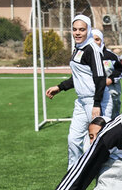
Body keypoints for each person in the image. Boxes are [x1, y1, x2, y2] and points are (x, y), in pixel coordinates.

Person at [45, 15, 109, 170]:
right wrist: (60, 87)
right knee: (73, 139)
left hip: (96, 102)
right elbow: (78, 77)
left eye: (82, 29)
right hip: (81, 102)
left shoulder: (92, 49)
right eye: (74, 29)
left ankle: (105, 174)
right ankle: (72, 174)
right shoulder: (78, 48)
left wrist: (96, 104)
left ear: (88, 30)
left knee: (100, 142)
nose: (78, 33)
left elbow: (100, 78)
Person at [92, 29, 122, 119]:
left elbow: (120, 70)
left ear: (102, 41)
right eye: (92, 39)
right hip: (94, 93)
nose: (94, 42)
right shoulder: (87, 56)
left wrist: (111, 79)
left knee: (113, 119)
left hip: (112, 92)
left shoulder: (110, 56)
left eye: (97, 39)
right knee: (96, 120)